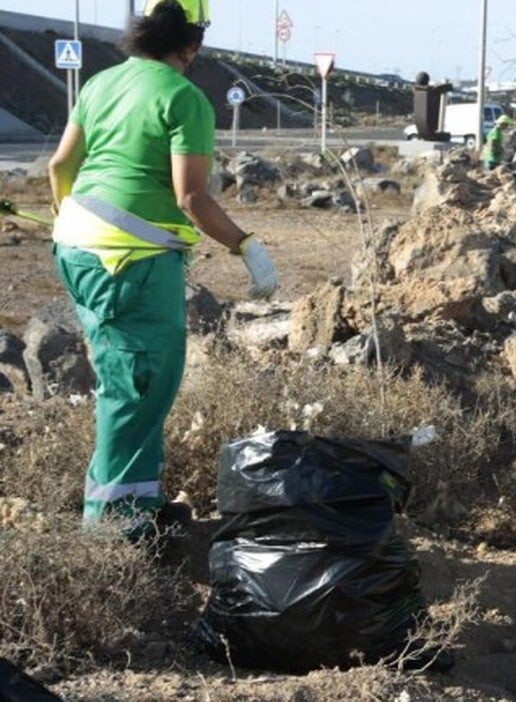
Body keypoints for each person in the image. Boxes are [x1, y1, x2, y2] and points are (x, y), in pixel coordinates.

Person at [46, 0, 279, 540]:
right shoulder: (183, 98)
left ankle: (138, 504)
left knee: (134, 380)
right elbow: (191, 196)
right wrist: (246, 247)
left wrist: (71, 221)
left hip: (78, 249)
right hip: (132, 262)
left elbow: (61, 166)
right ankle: (113, 530)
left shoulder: (100, 83)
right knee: (138, 386)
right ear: (192, 44)